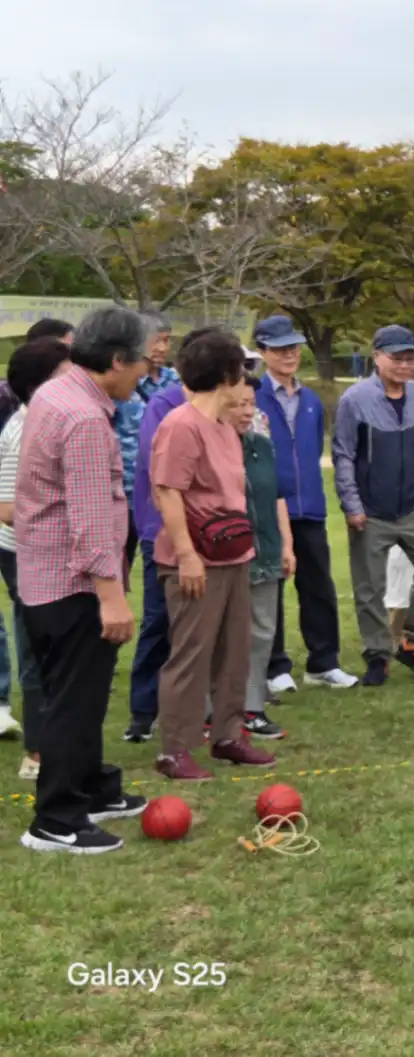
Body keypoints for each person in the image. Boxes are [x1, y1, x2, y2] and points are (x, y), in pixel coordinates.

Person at [15, 306, 149, 854]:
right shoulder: (86, 419)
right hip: (72, 584)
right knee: (74, 699)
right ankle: (56, 820)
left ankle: (91, 785)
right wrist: (111, 597)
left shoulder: (56, 391)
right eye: (140, 361)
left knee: (80, 696)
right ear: (115, 360)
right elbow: (92, 520)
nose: (145, 371)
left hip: (41, 575)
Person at [150, 331, 276, 780]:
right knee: (191, 655)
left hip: (233, 554)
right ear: (225, 376)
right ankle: (175, 749)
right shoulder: (181, 425)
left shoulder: (225, 426)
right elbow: (167, 491)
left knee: (234, 651)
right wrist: (186, 555)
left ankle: (227, 735)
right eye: (240, 371)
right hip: (196, 559)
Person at [333, 324, 414, 685]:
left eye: (409, 358)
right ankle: (377, 656)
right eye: (396, 358)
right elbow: (343, 456)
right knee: (370, 588)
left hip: (413, 507)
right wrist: (352, 506)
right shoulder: (354, 400)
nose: (404, 365)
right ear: (377, 358)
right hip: (371, 511)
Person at [123, 327, 222, 743]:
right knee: (160, 620)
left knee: (202, 623)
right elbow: (160, 477)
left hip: (213, 533)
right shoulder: (165, 405)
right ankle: (144, 712)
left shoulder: (221, 408)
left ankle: (196, 708)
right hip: (163, 529)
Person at [252, 314, 359, 694]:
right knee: (272, 588)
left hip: (309, 507)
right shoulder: (251, 396)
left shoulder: (311, 400)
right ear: (263, 351)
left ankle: (323, 662)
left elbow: (313, 450)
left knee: (319, 587)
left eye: (294, 346)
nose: (289, 354)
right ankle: (274, 666)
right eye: (280, 348)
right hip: (266, 509)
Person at [0, 337, 72, 778]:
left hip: (51, 556)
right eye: (67, 373)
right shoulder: (21, 430)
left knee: (59, 653)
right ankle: (37, 753)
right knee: (36, 652)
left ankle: (62, 744)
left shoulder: (50, 422)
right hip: (26, 558)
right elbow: (6, 507)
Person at [224, 377, 295, 742]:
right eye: (237, 403)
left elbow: (276, 496)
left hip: (264, 549)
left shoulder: (261, 446)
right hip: (223, 554)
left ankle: (252, 708)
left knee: (262, 630)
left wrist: (286, 545)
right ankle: (212, 712)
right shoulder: (210, 446)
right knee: (222, 634)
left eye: (250, 403)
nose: (246, 410)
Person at [113, 311, 178, 573]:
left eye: (167, 340)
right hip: (124, 492)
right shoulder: (120, 382)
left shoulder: (173, 381)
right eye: (156, 340)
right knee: (116, 568)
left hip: (161, 489)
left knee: (160, 566)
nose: (162, 347)